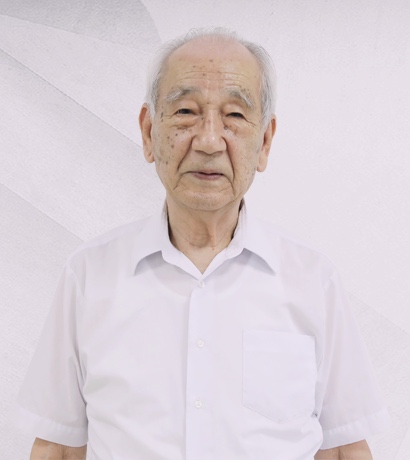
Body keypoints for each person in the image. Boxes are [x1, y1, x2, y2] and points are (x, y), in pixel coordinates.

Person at [14, 28, 390, 460]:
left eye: (235, 115)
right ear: (148, 131)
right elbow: (58, 447)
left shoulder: (313, 280)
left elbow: (344, 448)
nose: (209, 141)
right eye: (186, 111)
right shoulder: (89, 275)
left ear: (264, 141)